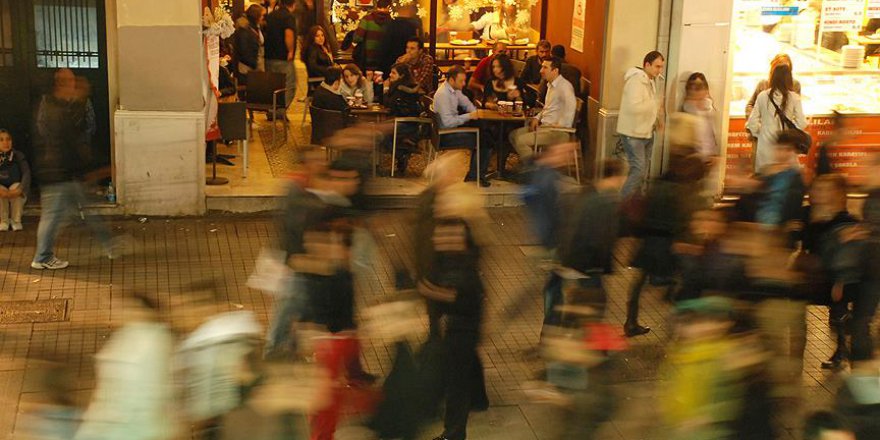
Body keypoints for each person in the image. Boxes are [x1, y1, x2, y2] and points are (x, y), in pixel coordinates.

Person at [421, 174, 490, 440]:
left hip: (463, 329)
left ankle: (454, 433)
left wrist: (433, 292)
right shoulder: (446, 258)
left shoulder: (466, 265)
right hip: (454, 329)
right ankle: (476, 403)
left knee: (457, 384)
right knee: (460, 374)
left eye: (448, 236)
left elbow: (464, 297)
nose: (442, 240)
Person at [31, 69, 116, 270]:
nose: (75, 85)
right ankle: (42, 257)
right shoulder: (55, 108)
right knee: (54, 216)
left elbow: (81, 134)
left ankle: (109, 244)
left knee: (74, 211)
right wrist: (93, 169)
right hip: (58, 172)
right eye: (71, 82)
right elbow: (69, 140)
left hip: (63, 171)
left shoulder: (63, 106)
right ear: (62, 84)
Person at [624, 152, 706, 337]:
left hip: (648, 241)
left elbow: (644, 212)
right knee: (678, 282)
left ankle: (631, 321)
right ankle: (680, 323)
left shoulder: (658, 184)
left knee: (639, 282)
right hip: (669, 244)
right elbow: (683, 221)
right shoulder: (683, 191)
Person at [74, 294, 177, 439]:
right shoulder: (125, 334)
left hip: (134, 427)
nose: (113, 312)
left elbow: (150, 390)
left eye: (121, 307)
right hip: (114, 424)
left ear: (141, 310)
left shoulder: (154, 341)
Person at [543, 158, 626, 326]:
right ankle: (573, 332)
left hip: (567, 258)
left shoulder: (582, 193)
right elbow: (601, 239)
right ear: (615, 177)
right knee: (592, 305)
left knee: (560, 302)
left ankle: (552, 332)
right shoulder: (605, 202)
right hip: (586, 264)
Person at [509, 57, 576, 163]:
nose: (541, 71)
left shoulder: (565, 87)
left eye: (545, 68)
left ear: (555, 70)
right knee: (513, 135)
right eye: (541, 67)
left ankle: (535, 168)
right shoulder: (550, 85)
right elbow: (547, 107)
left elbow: (571, 107)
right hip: (544, 127)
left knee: (521, 141)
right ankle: (533, 163)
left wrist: (561, 125)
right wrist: (537, 118)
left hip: (556, 132)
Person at [433, 65, 491, 187]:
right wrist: (469, 116)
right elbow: (447, 123)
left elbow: (465, 102)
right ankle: (476, 175)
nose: (464, 84)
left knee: (485, 131)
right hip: (445, 135)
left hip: (451, 129)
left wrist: (474, 112)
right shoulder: (443, 94)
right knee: (485, 139)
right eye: (461, 81)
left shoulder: (453, 89)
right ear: (451, 80)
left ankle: (475, 174)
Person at [617, 51, 665, 198]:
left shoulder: (650, 81)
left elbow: (649, 107)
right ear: (647, 65)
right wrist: (655, 103)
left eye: (661, 67)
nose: (660, 71)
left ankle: (635, 202)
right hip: (633, 133)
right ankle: (622, 201)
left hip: (645, 131)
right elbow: (633, 107)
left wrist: (657, 121)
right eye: (657, 66)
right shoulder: (636, 81)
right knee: (638, 170)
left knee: (642, 171)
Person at [747, 63, 806, 171]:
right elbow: (802, 123)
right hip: (785, 149)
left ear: (772, 78)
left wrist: (761, 133)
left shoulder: (762, 96)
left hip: (765, 150)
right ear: (789, 79)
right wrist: (790, 133)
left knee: (765, 178)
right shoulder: (794, 98)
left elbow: (752, 123)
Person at [482, 53, 530, 172]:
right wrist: (492, 105)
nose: (495, 70)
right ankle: (493, 166)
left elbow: (527, 102)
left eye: (498, 66)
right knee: (492, 130)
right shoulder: (490, 82)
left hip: (513, 120)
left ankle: (501, 167)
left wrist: (518, 96)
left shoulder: (517, 82)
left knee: (507, 131)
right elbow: (484, 103)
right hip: (494, 118)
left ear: (505, 67)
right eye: (493, 67)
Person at [383, 63, 424, 176]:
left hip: (408, 123)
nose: (390, 75)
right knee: (379, 129)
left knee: (381, 132)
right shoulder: (399, 86)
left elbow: (389, 105)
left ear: (401, 76)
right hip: (401, 120)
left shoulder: (403, 88)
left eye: (393, 73)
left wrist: (385, 88)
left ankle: (401, 155)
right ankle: (402, 153)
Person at [264, 0, 298, 119]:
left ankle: (271, 110)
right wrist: (290, 51)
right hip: (283, 57)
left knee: (272, 85)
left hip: (269, 56)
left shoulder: (271, 16)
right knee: (289, 85)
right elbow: (288, 34)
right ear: (293, 4)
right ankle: (279, 111)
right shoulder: (288, 17)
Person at [745, 53, 802, 118]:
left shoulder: (795, 85)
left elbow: (796, 111)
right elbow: (750, 105)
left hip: (785, 123)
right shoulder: (763, 85)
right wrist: (757, 120)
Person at [681, 72, 718, 161]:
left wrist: (714, 155)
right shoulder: (686, 110)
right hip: (693, 159)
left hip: (709, 157)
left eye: (701, 87)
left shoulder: (710, 109)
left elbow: (712, 135)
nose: (697, 91)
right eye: (693, 87)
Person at [378, 2, 422, 76]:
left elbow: (385, 46)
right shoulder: (413, 25)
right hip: (405, 62)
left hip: (390, 61)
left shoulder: (391, 25)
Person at [0, 129, 30, 231]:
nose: (5, 142)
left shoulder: (18, 155)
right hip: (1, 190)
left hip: (15, 189)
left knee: (16, 186)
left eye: (8, 139)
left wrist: (20, 189)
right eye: (1, 140)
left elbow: (26, 173)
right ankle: (3, 221)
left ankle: (16, 221)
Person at [352, 0, 393, 71]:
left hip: (366, 60)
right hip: (382, 62)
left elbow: (357, 38)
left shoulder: (367, 19)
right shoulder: (391, 22)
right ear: (389, 7)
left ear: (377, 6)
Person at [232, 4, 265, 85]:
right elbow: (243, 50)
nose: (263, 17)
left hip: (255, 64)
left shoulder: (256, 26)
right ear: (256, 16)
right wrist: (254, 64)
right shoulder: (244, 29)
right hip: (248, 67)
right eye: (261, 15)